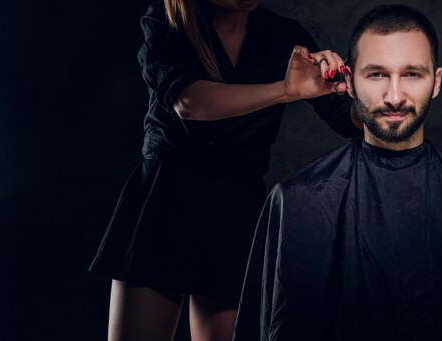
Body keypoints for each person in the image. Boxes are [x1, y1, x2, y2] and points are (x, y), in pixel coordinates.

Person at [234, 5, 442, 341]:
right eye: (376, 74)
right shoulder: (296, 203)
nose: (394, 96)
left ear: (436, 82)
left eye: (412, 75)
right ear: (349, 81)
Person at [88, 0, 361, 340]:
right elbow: (190, 102)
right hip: (164, 201)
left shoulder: (285, 36)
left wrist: (375, 86)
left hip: (235, 210)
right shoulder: (166, 19)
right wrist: (284, 91)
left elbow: (344, 115)